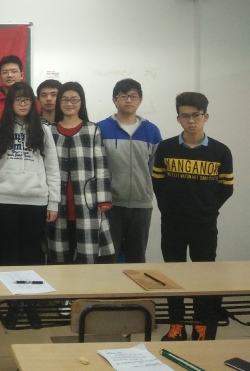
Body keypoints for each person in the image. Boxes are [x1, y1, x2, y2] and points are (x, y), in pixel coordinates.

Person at [153, 92, 233, 342]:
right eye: (185, 116)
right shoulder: (166, 148)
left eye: (196, 115)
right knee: (172, 277)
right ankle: (176, 326)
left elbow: (226, 188)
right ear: (178, 118)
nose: (191, 121)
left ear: (205, 116)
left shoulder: (220, 151)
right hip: (172, 224)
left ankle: (201, 325)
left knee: (204, 277)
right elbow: (158, 184)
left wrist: (207, 210)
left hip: (204, 226)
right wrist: (169, 210)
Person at [0, 82, 60, 329]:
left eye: (26, 99)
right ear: (10, 103)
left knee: (33, 255)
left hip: (36, 201)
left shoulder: (43, 130)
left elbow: (52, 169)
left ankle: (30, 304)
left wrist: (53, 202)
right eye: (17, 99)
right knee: (8, 256)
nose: (22, 103)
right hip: (5, 201)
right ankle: (12, 304)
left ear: (32, 103)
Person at [48, 81, 114, 265]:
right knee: (59, 255)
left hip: (88, 202)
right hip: (57, 201)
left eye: (74, 99)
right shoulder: (50, 131)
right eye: (65, 99)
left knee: (87, 255)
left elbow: (101, 165)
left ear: (81, 102)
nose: (69, 104)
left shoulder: (92, 129)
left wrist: (104, 198)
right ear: (59, 102)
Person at [97, 79, 162, 263]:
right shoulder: (100, 129)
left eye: (133, 96)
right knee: (108, 257)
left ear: (140, 100)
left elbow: (155, 170)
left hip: (141, 204)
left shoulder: (151, 131)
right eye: (123, 96)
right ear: (114, 100)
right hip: (110, 204)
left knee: (137, 257)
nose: (128, 100)